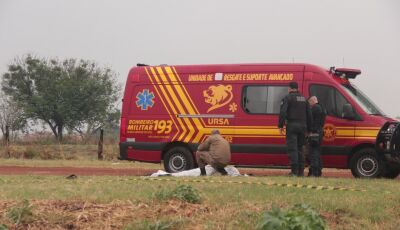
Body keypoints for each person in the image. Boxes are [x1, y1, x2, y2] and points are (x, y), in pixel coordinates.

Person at [278, 82, 312, 176]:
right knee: (300, 148)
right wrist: (309, 129)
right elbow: (309, 114)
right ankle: (301, 172)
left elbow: (283, 112)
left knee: (293, 149)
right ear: (297, 88)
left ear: (289, 88)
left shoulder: (287, 98)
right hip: (303, 127)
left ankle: (294, 172)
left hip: (292, 126)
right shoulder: (304, 99)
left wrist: (281, 125)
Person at [307, 96, 326, 177]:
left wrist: (308, 130)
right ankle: (318, 171)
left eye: (309, 102)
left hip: (314, 132)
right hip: (320, 131)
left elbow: (309, 120)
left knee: (313, 153)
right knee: (317, 152)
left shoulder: (314, 108)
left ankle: (314, 173)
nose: (309, 105)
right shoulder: (322, 107)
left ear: (312, 101)